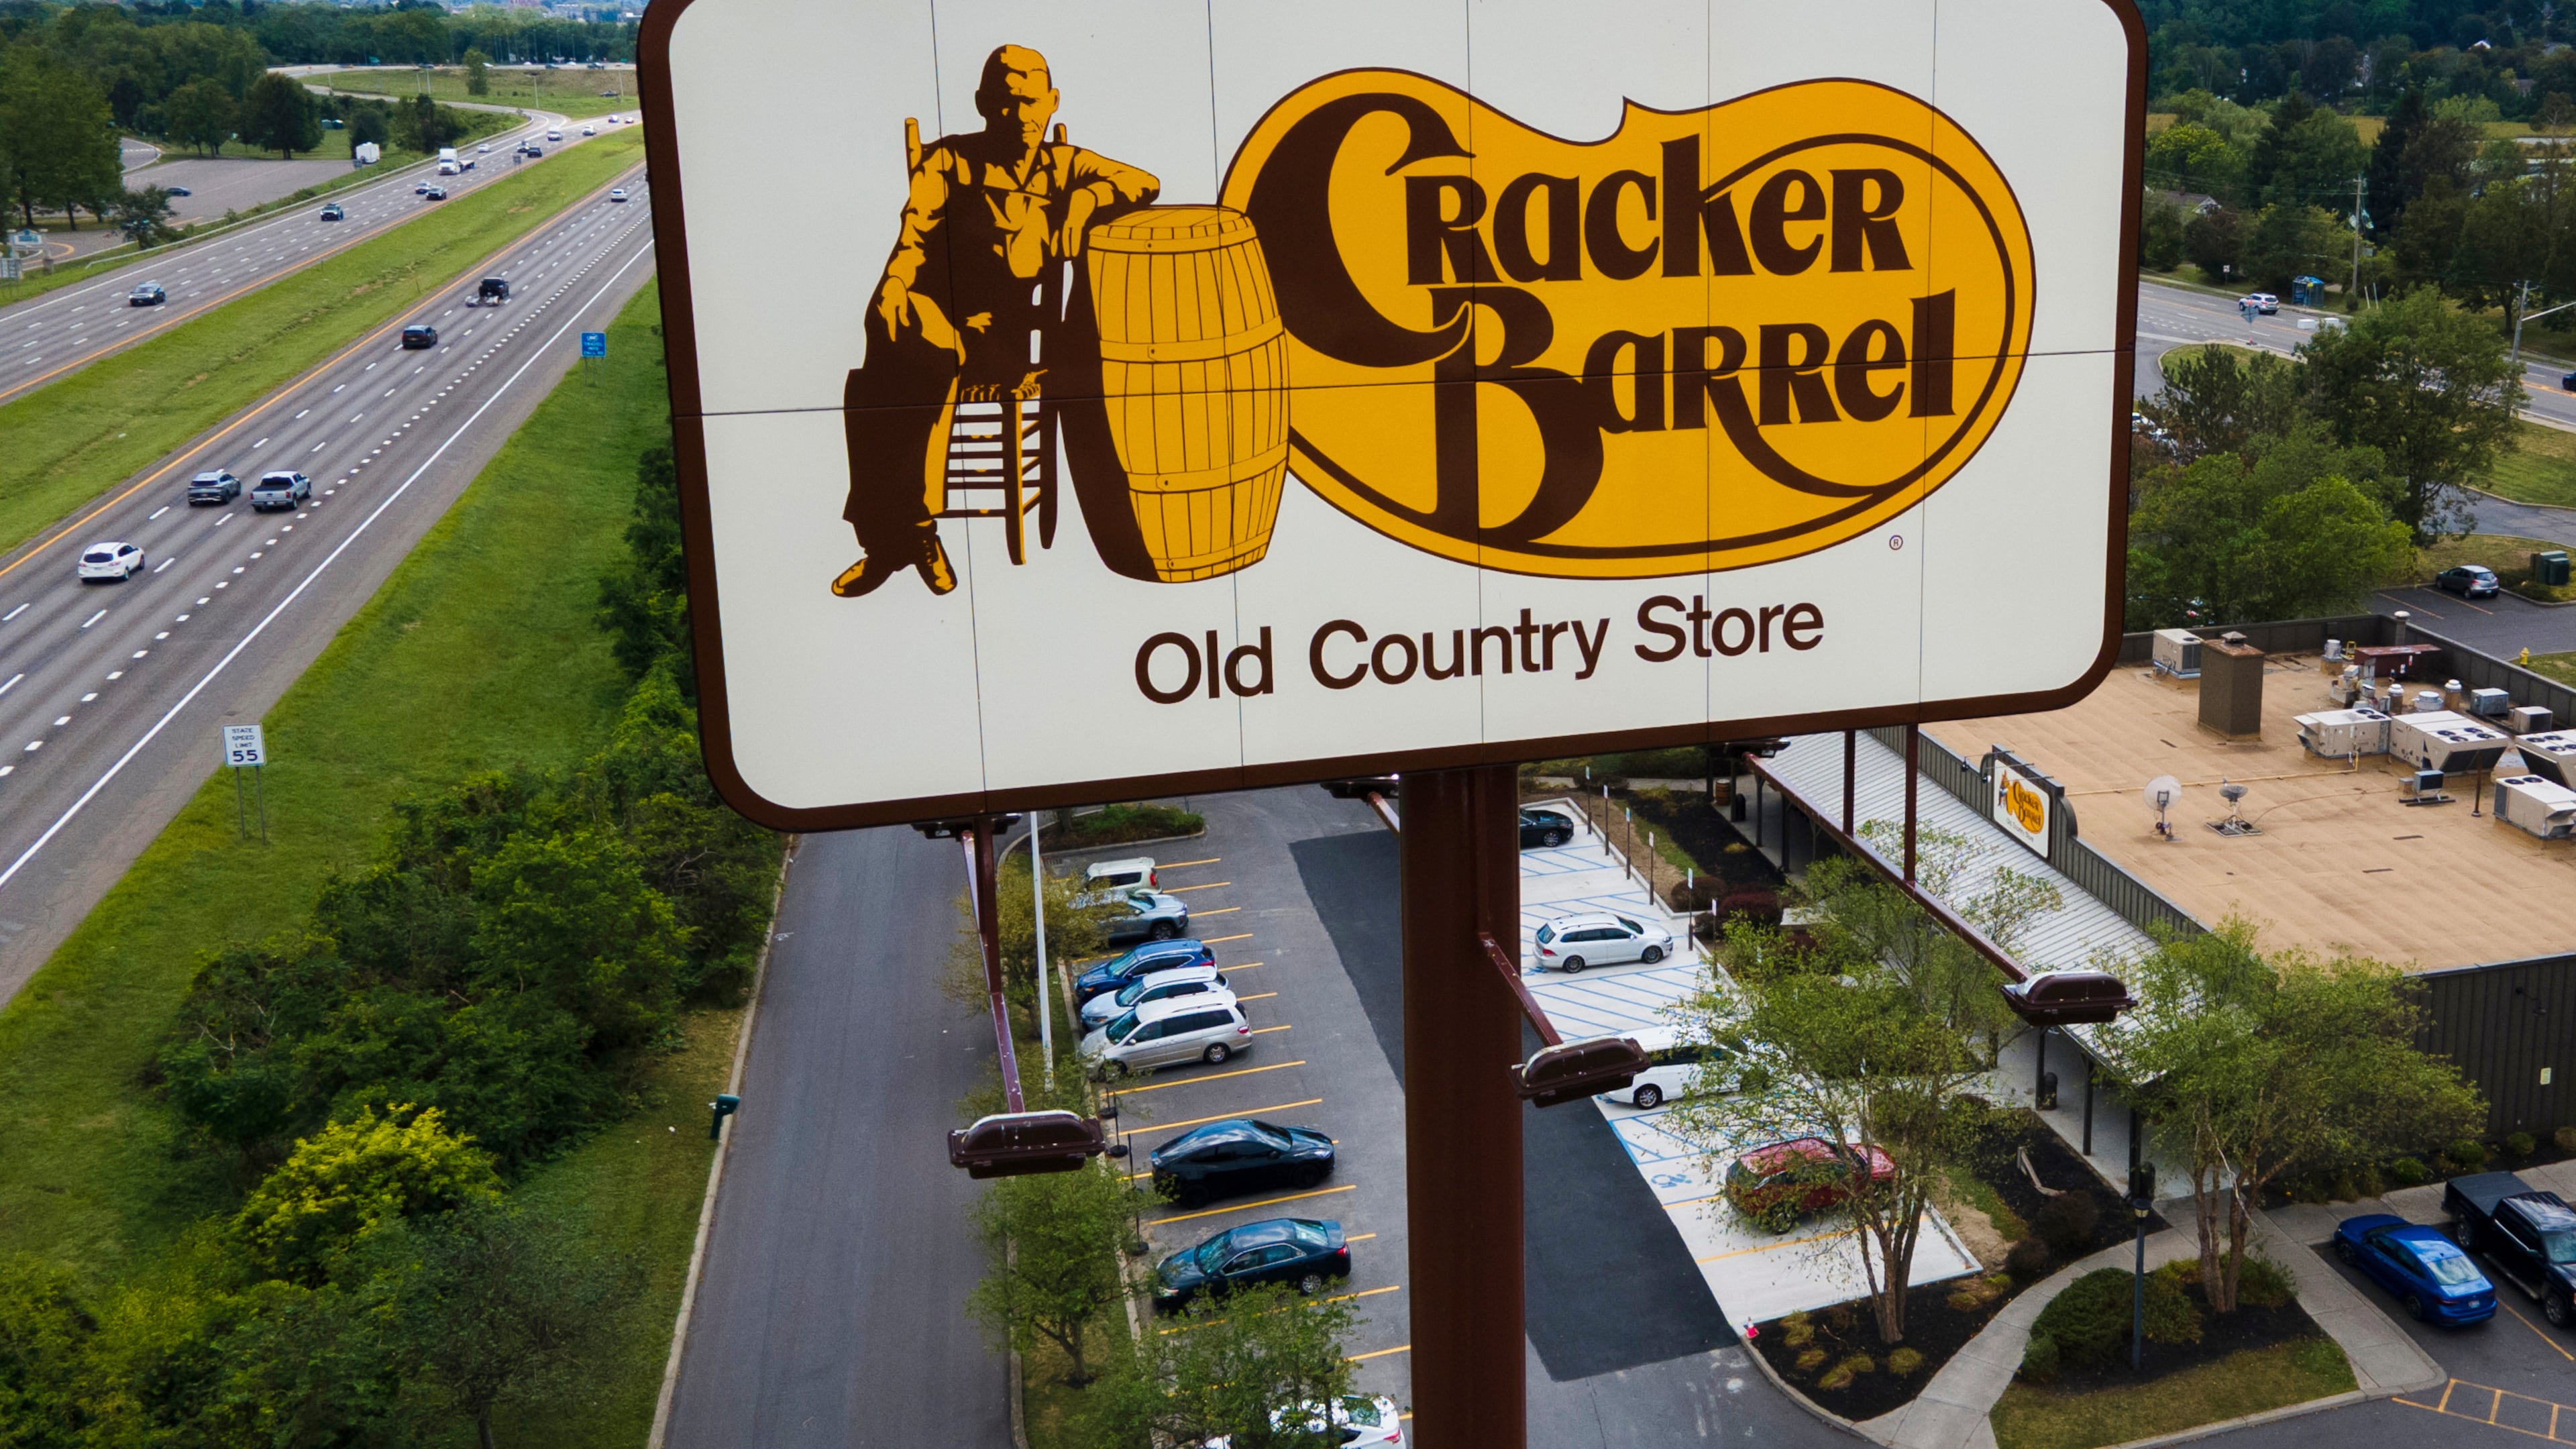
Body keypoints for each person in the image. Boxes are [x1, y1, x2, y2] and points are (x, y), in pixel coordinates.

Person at [833, 44, 1160, 598]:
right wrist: (893, 286)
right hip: (937, 320)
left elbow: (1145, 183)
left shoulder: (1065, 166)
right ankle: (908, 534)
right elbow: (914, 238)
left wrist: (1085, 201)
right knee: (889, 350)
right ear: (984, 104)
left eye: (1032, 102)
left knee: (890, 378)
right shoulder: (948, 161)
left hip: (1008, 341)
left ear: (1052, 103)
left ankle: (896, 541)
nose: (1022, 116)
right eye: (1008, 103)